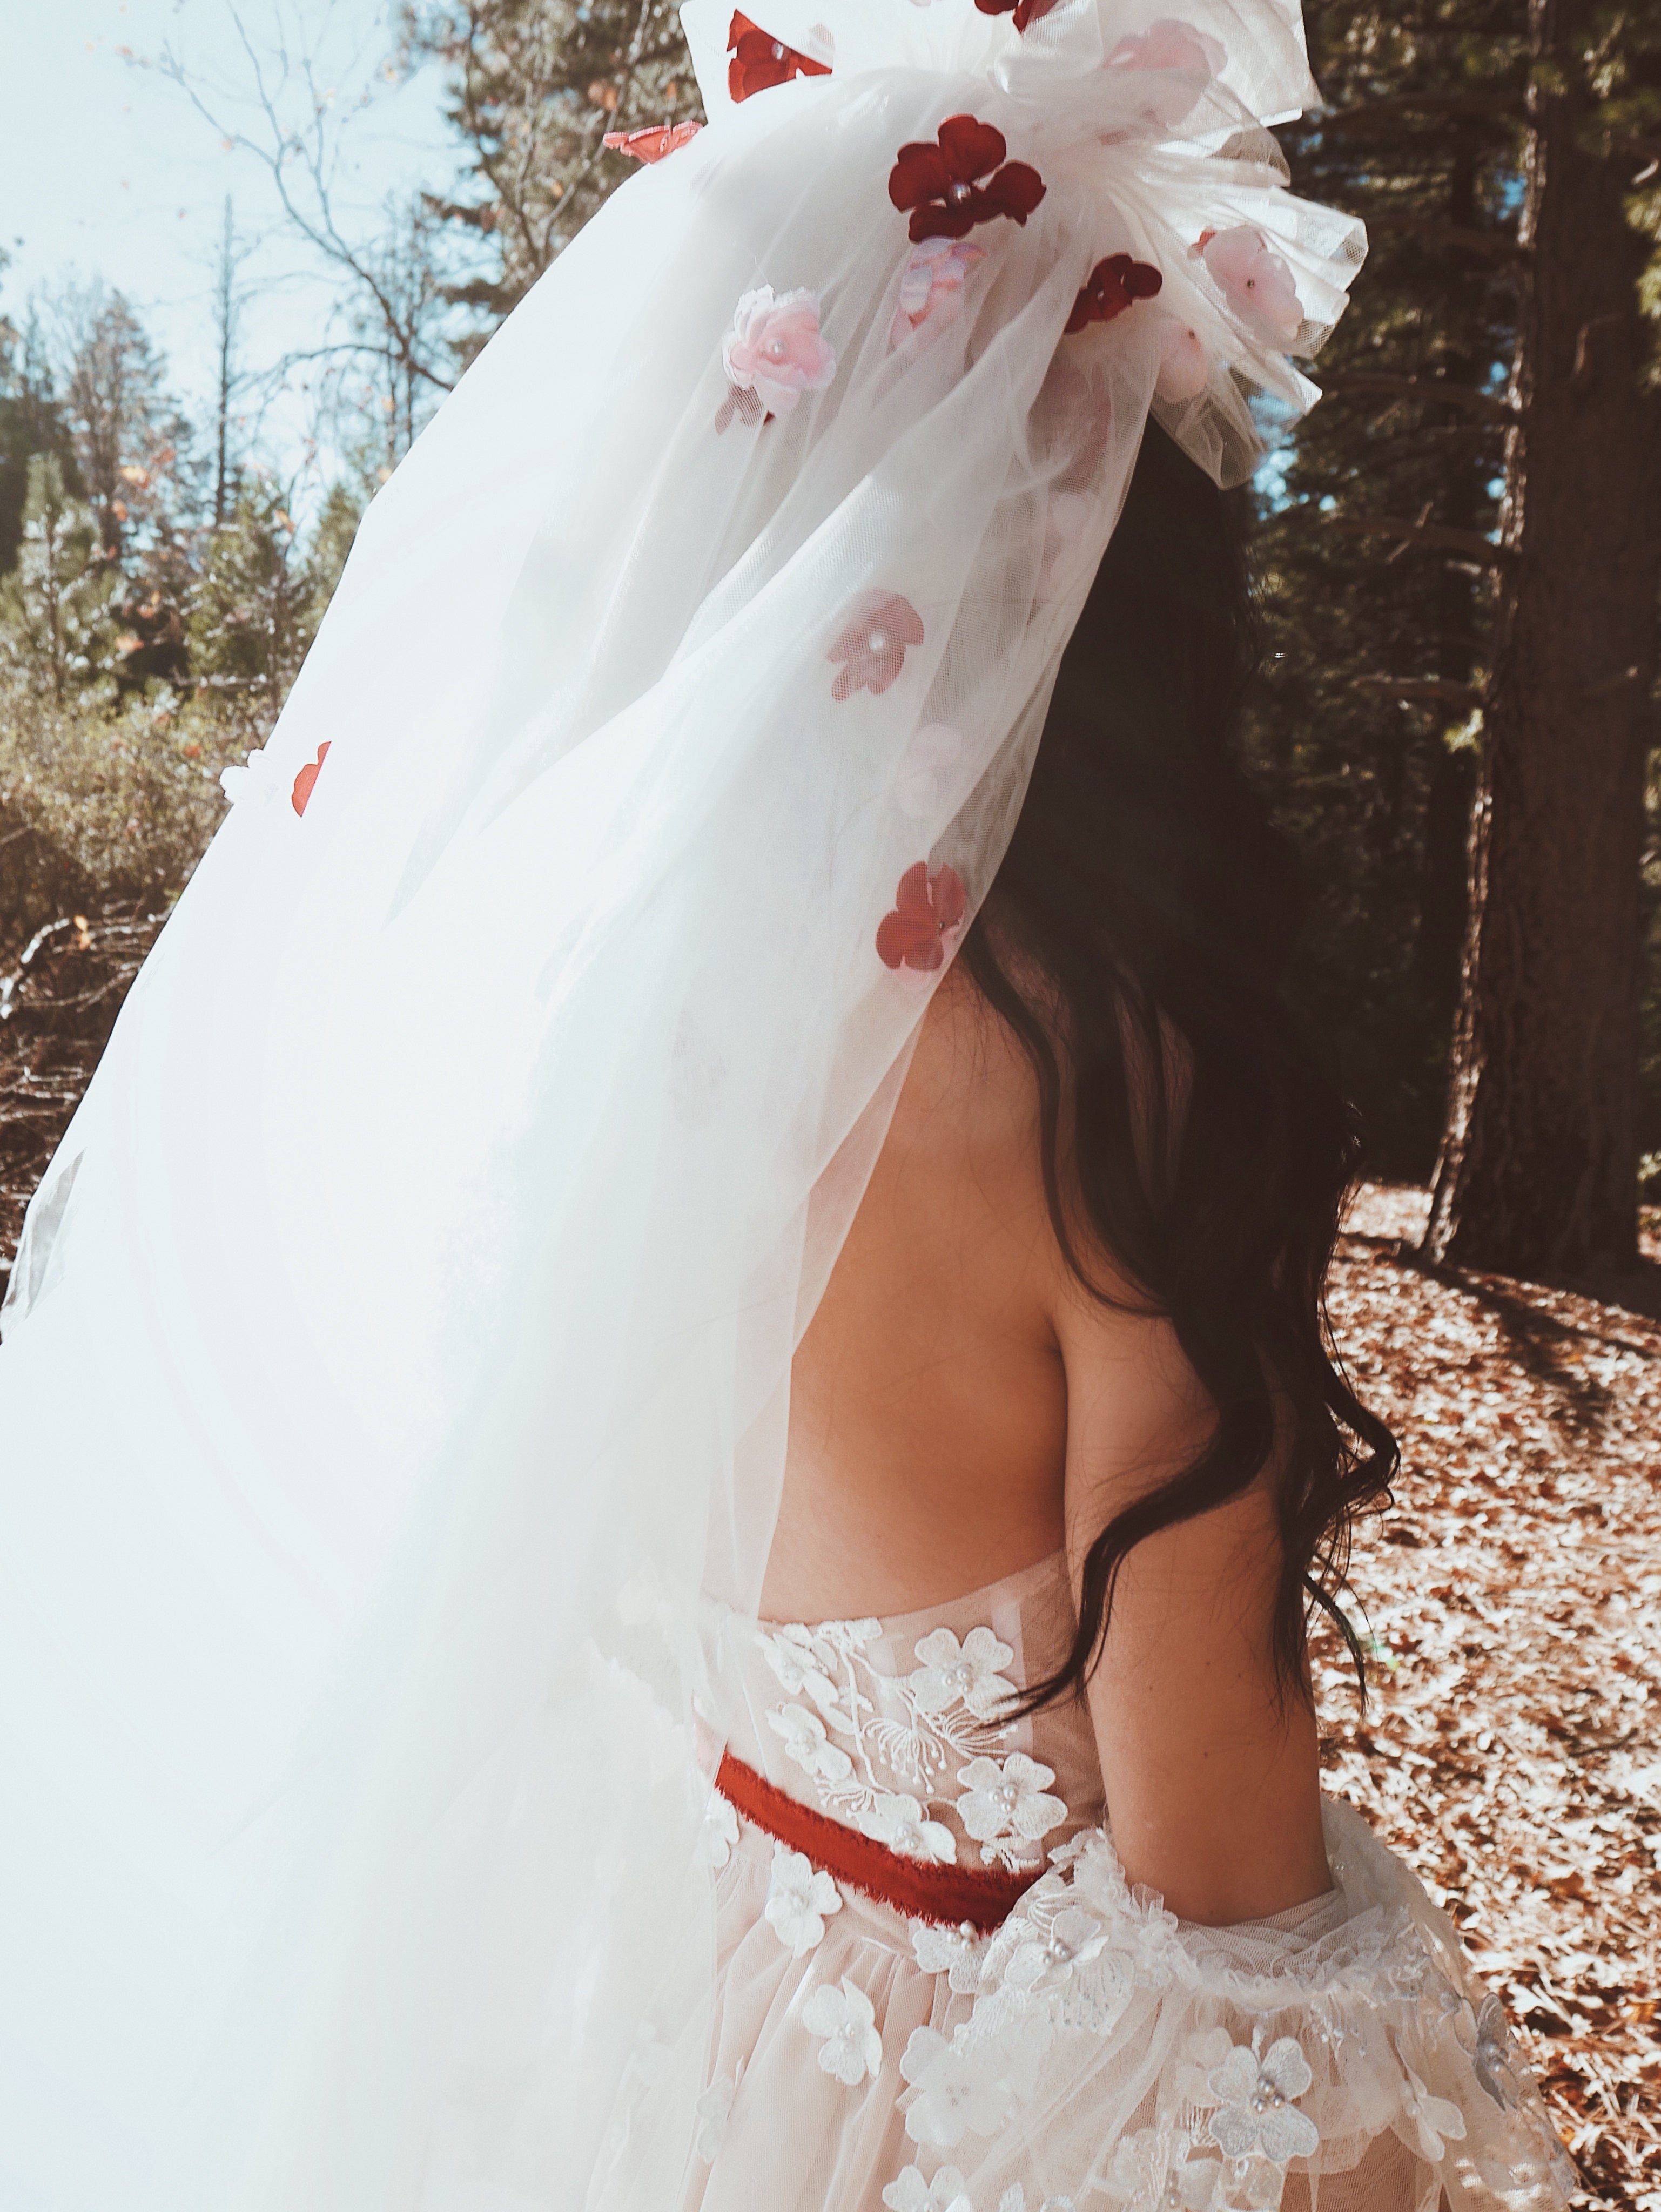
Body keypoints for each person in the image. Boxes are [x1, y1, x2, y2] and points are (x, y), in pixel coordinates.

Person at [0, 2, 1575, 2208]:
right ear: (1119, 569)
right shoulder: (1119, 1093)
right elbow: (1227, 1898)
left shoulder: (575, 1000)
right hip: (947, 2115)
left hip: (631, 2019)